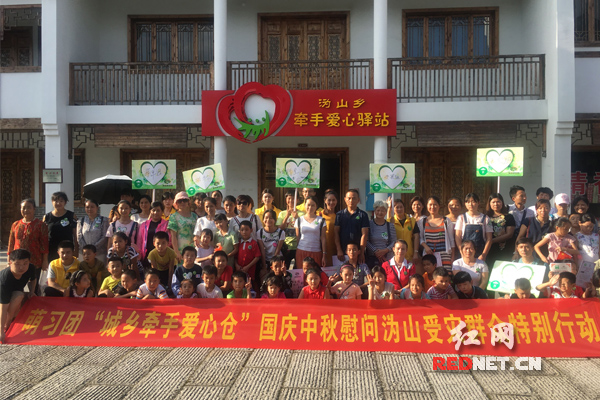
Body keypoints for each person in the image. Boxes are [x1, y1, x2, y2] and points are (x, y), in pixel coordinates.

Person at [8, 198, 49, 291]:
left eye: (29, 207)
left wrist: (45, 261)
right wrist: (9, 259)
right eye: (23, 208)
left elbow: (44, 244)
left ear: (34, 209)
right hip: (18, 261)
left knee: (34, 287)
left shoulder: (41, 225)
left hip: (35, 261)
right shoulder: (15, 224)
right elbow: (11, 242)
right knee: (17, 287)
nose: (26, 210)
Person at [1, 249, 36, 343]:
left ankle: (12, 319)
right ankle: (7, 325)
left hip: (14, 296)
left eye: (25, 263)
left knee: (27, 297)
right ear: (10, 263)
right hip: (2, 298)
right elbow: (3, 307)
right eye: (17, 264)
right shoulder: (5, 279)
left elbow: (33, 279)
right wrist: (1, 331)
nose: (22, 267)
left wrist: (32, 291)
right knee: (18, 296)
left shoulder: (31, 268)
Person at [416, 196, 455, 272]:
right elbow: (420, 238)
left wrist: (452, 257)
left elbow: (451, 240)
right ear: (427, 206)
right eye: (430, 204)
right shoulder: (422, 221)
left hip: (444, 256)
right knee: (430, 276)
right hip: (429, 256)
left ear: (439, 206)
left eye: (435, 204)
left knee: (444, 277)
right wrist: (425, 246)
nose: (432, 207)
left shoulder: (446, 221)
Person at [454, 193, 493, 260]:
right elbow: (458, 237)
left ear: (478, 203)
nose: (470, 204)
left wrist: (483, 254)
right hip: (465, 253)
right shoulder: (461, 218)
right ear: (465, 204)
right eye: (468, 202)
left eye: (473, 201)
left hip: (480, 252)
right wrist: (461, 252)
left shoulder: (486, 218)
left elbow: (489, 238)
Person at [334, 189, 369, 263]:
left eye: (354, 198)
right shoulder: (339, 215)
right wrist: (339, 249)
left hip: (357, 252)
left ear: (358, 200)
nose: (351, 200)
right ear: (345, 199)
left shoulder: (363, 215)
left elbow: (364, 234)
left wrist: (361, 252)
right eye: (349, 198)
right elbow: (336, 233)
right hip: (343, 251)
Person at [44, 191, 77, 262]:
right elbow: (43, 235)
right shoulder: (47, 217)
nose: (58, 203)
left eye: (61, 201)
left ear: (65, 202)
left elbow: (75, 234)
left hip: (67, 250)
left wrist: (76, 249)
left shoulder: (71, 216)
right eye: (56, 201)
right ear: (52, 202)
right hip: (52, 250)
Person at [296, 196, 327, 267]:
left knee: (315, 273)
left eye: (313, 205)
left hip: (316, 251)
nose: (310, 207)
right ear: (305, 205)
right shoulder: (299, 220)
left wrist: (324, 254)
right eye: (308, 205)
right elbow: (298, 237)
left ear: (316, 206)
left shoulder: (321, 220)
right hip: (301, 251)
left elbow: (323, 238)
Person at [485, 193, 516, 266]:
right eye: (493, 202)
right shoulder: (485, 217)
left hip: (505, 249)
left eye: (498, 201)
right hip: (490, 250)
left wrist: (491, 241)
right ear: (489, 204)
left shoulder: (509, 217)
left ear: (502, 203)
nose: (496, 204)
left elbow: (509, 234)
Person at [137, 201, 170, 268]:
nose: (155, 212)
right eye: (153, 210)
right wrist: (139, 254)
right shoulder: (144, 225)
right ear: (150, 211)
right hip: (146, 255)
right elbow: (139, 241)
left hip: (161, 256)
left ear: (162, 212)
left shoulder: (166, 224)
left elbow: (169, 240)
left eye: (158, 210)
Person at [168, 191, 198, 260]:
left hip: (194, 250)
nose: (182, 202)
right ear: (176, 203)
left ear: (188, 202)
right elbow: (173, 236)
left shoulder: (195, 216)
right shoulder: (173, 217)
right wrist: (176, 252)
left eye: (184, 200)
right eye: (179, 201)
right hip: (181, 251)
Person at [366, 200, 396, 269]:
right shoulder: (369, 224)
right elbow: (366, 241)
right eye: (378, 210)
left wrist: (385, 251)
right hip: (372, 258)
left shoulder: (390, 225)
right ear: (374, 211)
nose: (380, 212)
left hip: (387, 258)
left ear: (386, 212)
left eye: (382, 210)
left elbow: (394, 241)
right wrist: (376, 252)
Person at [386, 197, 417, 262]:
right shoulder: (390, 222)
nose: (399, 209)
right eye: (397, 207)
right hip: (396, 256)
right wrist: (389, 208)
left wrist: (416, 252)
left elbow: (416, 237)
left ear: (404, 208)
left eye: (401, 207)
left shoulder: (412, 221)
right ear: (393, 209)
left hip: (409, 255)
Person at [277, 190, 302, 268]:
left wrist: (297, 218)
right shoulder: (282, 213)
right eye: (289, 198)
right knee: (284, 267)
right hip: (285, 246)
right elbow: (280, 229)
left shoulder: (302, 214)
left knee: (297, 268)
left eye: (293, 198)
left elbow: (303, 228)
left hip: (298, 246)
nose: (291, 200)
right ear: (286, 200)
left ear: (297, 200)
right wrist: (286, 216)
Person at [257, 210, 285, 274]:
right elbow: (262, 250)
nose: (268, 220)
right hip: (265, 260)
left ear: (275, 220)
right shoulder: (260, 232)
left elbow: (277, 251)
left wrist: (274, 266)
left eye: (271, 218)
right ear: (263, 220)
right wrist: (264, 267)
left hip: (277, 260)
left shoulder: (281, 232)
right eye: (266, 218)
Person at [236, 221, 261, 290]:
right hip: (239, 271)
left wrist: (247, 267)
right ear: (239, 231)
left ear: (251, 230)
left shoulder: (253, 243)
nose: (244, 232)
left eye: (246, 230)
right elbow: (235, 257)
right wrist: (236, 265)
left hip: (250, 272)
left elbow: (257, 257)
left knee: (249, 287)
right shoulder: (238, 243)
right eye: (242, 230)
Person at [321, 190, 339, 266]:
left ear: (337, 201)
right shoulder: (320, 214)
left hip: (335, 247)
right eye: (329, 200)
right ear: (325, 200)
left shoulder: (338, 215)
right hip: (322, 247)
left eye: (333, 200)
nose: (331, 202)